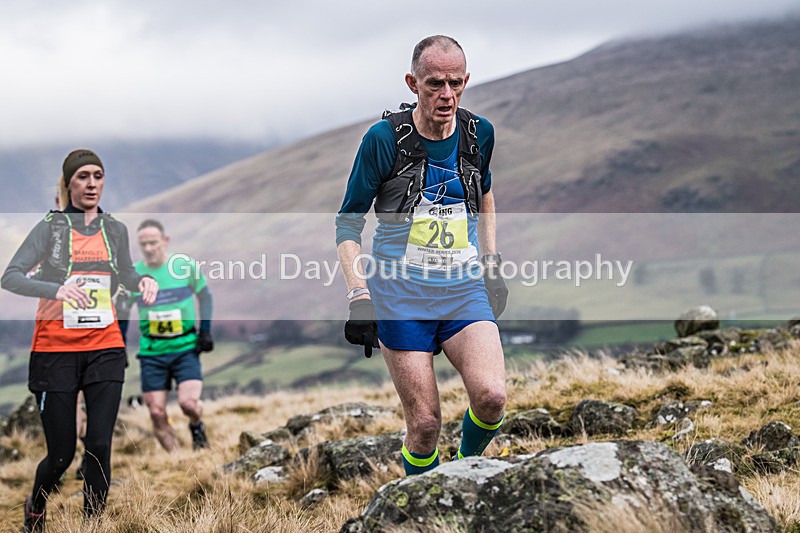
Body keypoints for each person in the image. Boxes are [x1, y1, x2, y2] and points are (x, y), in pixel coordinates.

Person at [335, 36, 509, 476]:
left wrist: (490, 263)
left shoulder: (478, 133)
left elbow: (485, 193)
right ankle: (420, 504)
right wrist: (359, 296)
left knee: (491, 399)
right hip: (400, 296)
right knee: (425, 424)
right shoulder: (383, 140)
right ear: (413, 83)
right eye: (434, 84)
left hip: (463, 288)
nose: (446, 95)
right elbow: (348, 223)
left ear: (466, 81)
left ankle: (463, 474)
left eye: (455, 83)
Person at [1, 149, 158, 531]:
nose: (91, 183)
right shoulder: (50, 229)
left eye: (98, 176)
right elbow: (11, 277)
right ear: (69, 183)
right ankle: (37, 505)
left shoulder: (114, 230)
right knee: (61, 455)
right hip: (55, 350)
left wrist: (143, 282)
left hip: (104, 346)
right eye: (83, 176)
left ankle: (92, 526)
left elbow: (125, 274)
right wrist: (57, 290)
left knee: (100, 446)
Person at [119, 219, 213, 452]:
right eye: (143, 245)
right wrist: (119, 344)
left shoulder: (184, 268)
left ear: (165, 241)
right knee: (156, 412)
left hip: (185, 348)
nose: (149, 249)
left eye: (153, 243)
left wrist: (206, 331)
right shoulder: (134, 275)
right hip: (153, 352)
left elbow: (205, 296)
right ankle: (179, 460)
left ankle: (196, 424)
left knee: (188, 404)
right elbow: (122, 310)